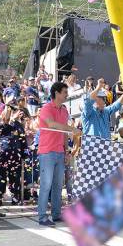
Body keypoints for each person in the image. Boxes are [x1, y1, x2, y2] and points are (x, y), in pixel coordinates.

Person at [37, 82, 81, 226]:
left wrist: (67, 151)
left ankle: (56, 214)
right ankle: (42, 217)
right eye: (64, 92)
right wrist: (71, 129)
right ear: (56, 93)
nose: (67, 95)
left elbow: (64, 133)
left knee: (57, 185)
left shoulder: (64, 110)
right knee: (46, 185)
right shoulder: (46, 108)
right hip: (47, 152)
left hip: (60, 152)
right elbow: (51, 125)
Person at [0, 106, 29, 205]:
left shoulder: (18, 125)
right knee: (1, 176)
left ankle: (15, 196)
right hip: (2, 155)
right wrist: (9, 119)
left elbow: (23, 141)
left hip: (16, 155)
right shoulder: (1, 124)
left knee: (15, 177)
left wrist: (25, 155)